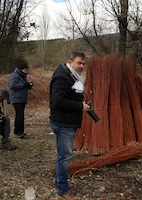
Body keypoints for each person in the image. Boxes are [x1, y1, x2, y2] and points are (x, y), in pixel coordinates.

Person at [49, 51, 90, 200]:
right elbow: (58, 101)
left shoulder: (71, 75)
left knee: (63, 156)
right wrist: (80, 106)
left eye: (83, 63)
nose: (82, 66)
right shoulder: (62, 77)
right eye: (79, 63)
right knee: (64, 157)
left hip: (66, 121)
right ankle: (62, 191)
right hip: (63, 123)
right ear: (70, 62)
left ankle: (60, 183)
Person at [9, 62, 33, 139]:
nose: (26, 72)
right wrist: (24, 85)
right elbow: (12, 86)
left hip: (21, 98)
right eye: (25, 70)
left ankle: (18, 131)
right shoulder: (14, 75)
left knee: (20, 115)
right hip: (16, 98)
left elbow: (22, 85)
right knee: (20, 115)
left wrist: (28, 86)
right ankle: (19, 132)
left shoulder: (22, 76)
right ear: (21, 69)